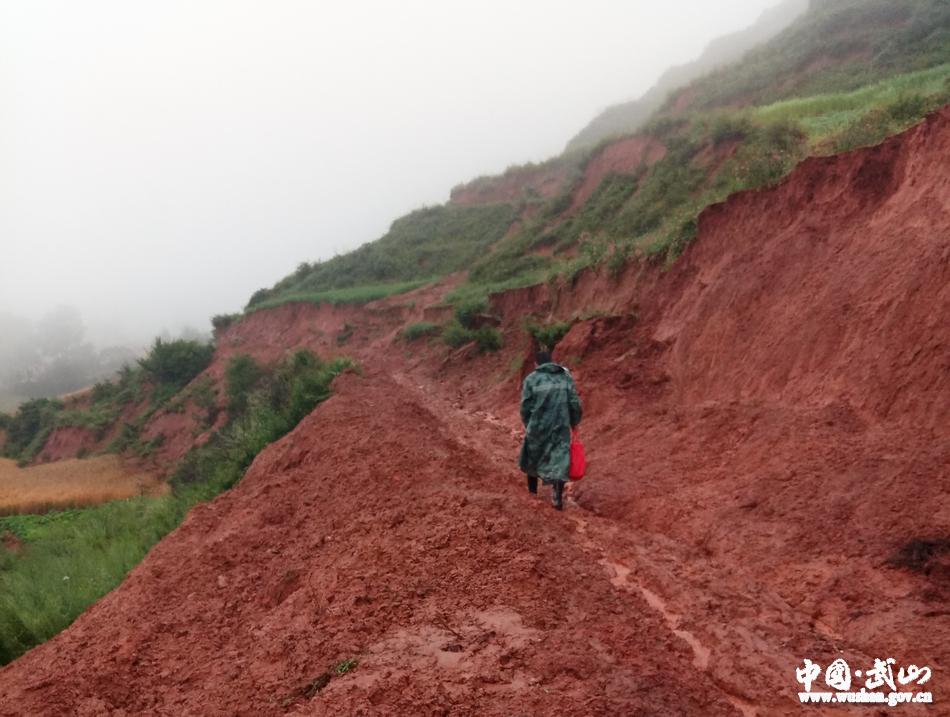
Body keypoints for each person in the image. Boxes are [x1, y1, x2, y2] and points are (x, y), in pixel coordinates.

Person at [518, 350, 582, 510]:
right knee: (559, 460)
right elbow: (574, 402)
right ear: (551, 361)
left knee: (533, 458)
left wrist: (527, 423)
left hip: (538, 427)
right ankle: (557, 498)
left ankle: (532, 493)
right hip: (560, 426)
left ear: (536, 364)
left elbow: (525, 406)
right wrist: (574, 422)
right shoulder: (564, 377)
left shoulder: (531, 379)